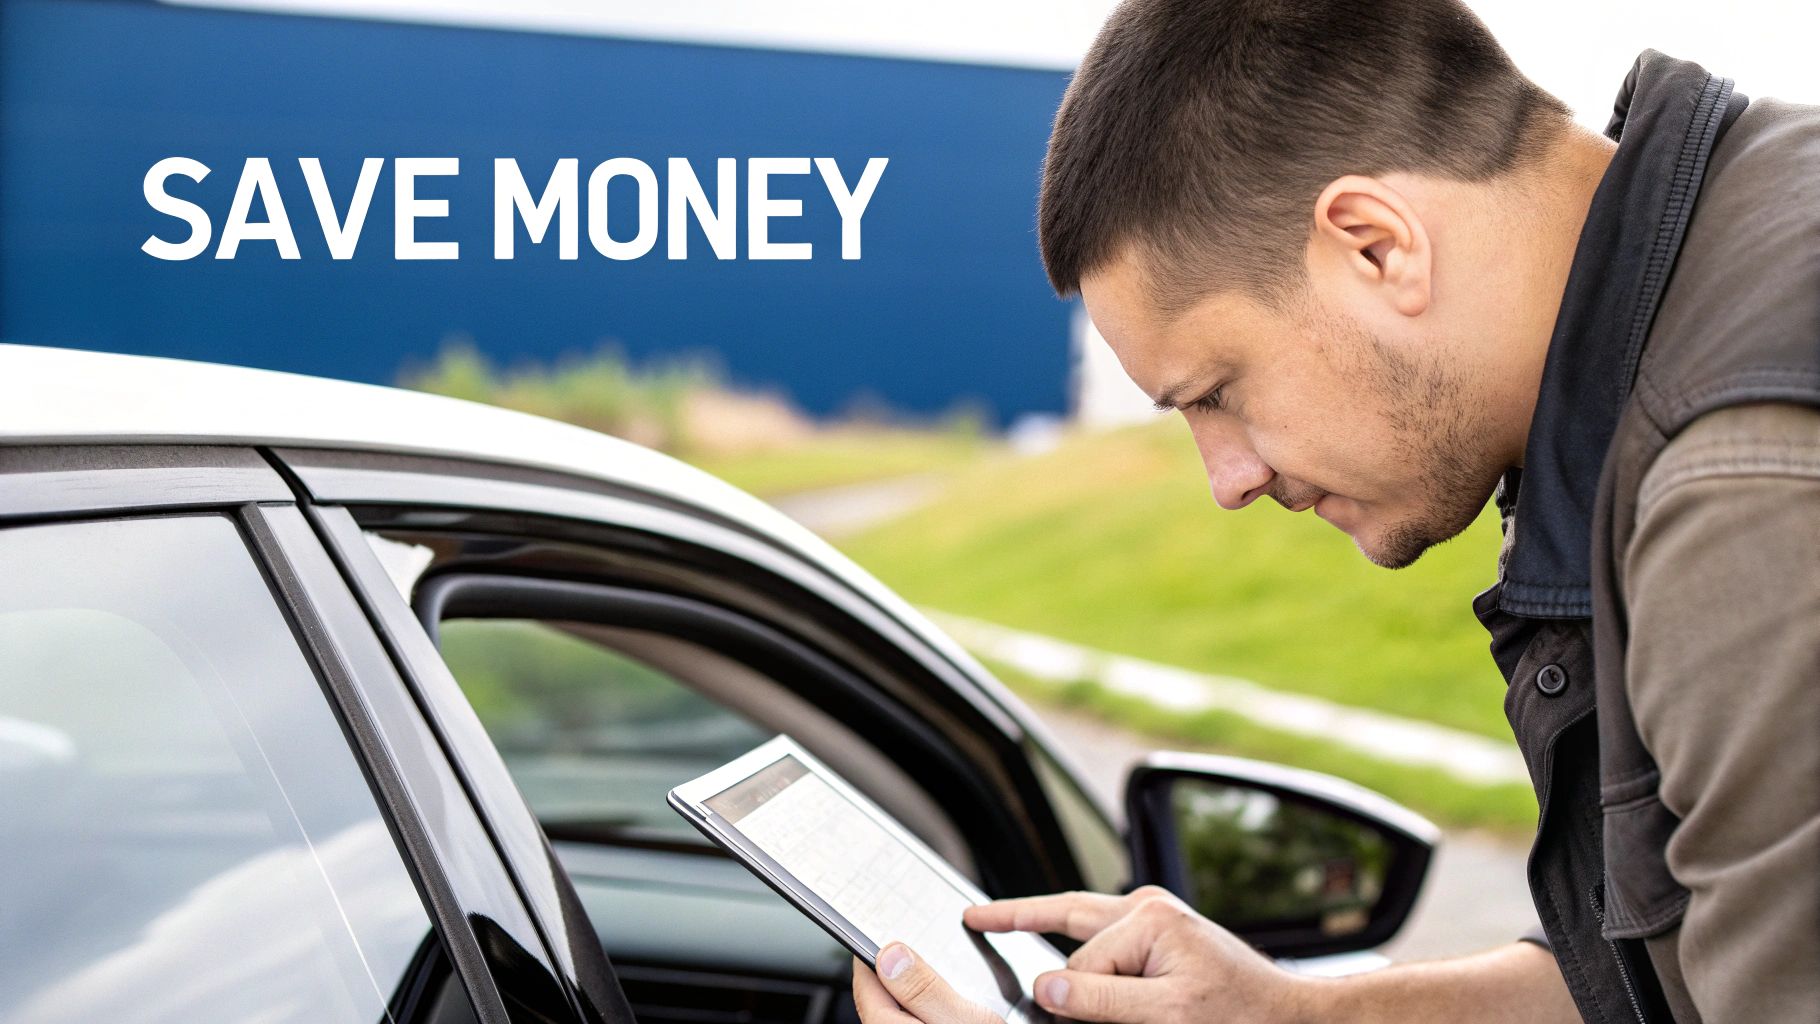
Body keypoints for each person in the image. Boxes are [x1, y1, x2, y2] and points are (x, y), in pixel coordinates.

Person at [848, 0, 1820, 1021]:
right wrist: (1293, 1015)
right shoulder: (1740, 224)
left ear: (1372, 246)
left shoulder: (1738, 490)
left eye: (1214, 392)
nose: (1225, 479)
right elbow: (1653, 981)